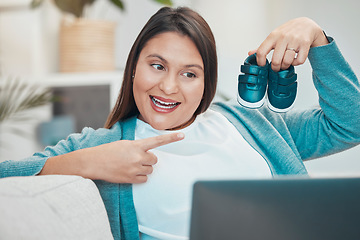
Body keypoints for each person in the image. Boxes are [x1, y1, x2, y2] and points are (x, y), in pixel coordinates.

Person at [1, 6, 360, 240]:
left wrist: (316, 36)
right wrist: (86, 162)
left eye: (190, 73)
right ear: (133, 69)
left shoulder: (252, 125)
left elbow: (350, 123)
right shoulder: (103, 146)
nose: (168, 87)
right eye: (157, 66)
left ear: (207, 83)